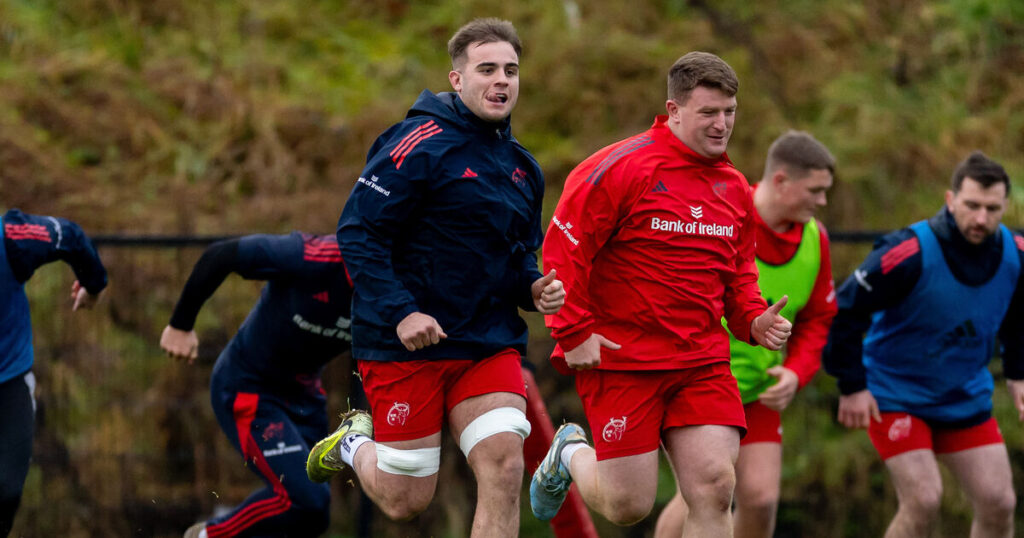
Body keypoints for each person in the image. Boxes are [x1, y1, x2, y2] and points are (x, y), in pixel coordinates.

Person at [305, 18, 564, 538]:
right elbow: (358, 233)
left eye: (511, 71)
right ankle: (353, 443)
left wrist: (533, 287)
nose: (502, 80)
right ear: (456, 79)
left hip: (486, 342)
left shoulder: (523, 168)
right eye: (487, 69)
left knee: (504, 464)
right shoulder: (417, 142)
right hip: (404, 343)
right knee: (405, 500)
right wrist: (402, 312)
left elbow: (517, 257)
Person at [530, 51, 792, 537]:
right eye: (708, 112)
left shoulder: (735, 187)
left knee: (715, 487)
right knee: (627, 504)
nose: (722, 125)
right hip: (623, 358)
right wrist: (572, 332)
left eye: (730, 112)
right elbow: (565, 251)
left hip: (701, 361)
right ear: (673, 110)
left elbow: (738, 278)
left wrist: (755, 320)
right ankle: (570, 451)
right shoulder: (619, 167)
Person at [823, 151, 1024, 538]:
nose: (981, 219)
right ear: (950, 200)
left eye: (992, 209)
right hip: (895, 394)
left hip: (963, 395)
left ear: (1005, 206)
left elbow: (1017, 311)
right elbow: (843, 311)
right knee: (923, 500)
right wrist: (852, 385)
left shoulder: (1016, 254)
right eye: (972, 206)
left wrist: (1017, 372)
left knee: (999, 502)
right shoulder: (907, 253)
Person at [654, 130, 839, 538]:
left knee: (760, 498)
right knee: (700, 494)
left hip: (758, 391)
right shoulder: (719, 216)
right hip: (700, 382)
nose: (823, 201)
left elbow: (819, 318)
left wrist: (796, 372)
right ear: (781, 181)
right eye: (816, 190)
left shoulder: (816, 238)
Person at [160, 232, 354, 537]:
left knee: (313, 518)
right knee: (307, 500)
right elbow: (222, 255)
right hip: (248, 387)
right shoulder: (314, 257)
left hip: (305, 398)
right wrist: (180, 325)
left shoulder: (398, 293)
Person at [0, 208, 107, 536]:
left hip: (8, 380)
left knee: (6, 491)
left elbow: (69, 236)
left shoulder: (12, 240)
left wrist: (93, 284)